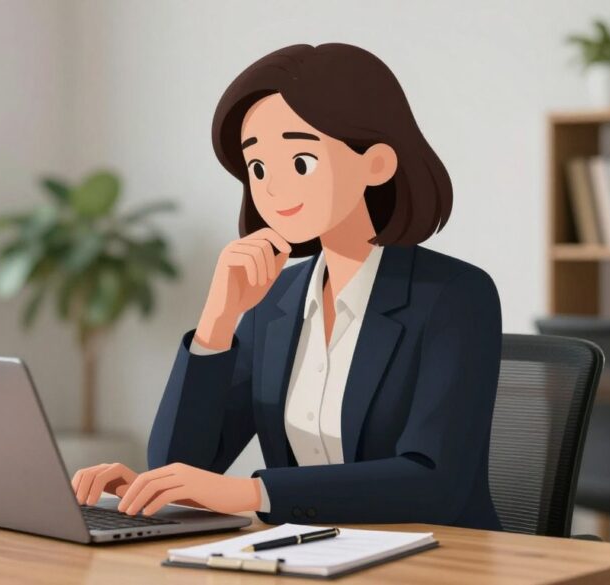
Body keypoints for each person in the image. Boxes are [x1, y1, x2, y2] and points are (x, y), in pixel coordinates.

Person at [71, 43, 503, 530]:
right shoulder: (275, 300)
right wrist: (217, 321)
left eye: (301, 162)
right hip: (308, 554)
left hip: (439, 560)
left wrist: (252, 492)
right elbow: (186, 464)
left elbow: (435, 482)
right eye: (258, 168)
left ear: (377, 163)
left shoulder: (456, 296)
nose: (273, 188)